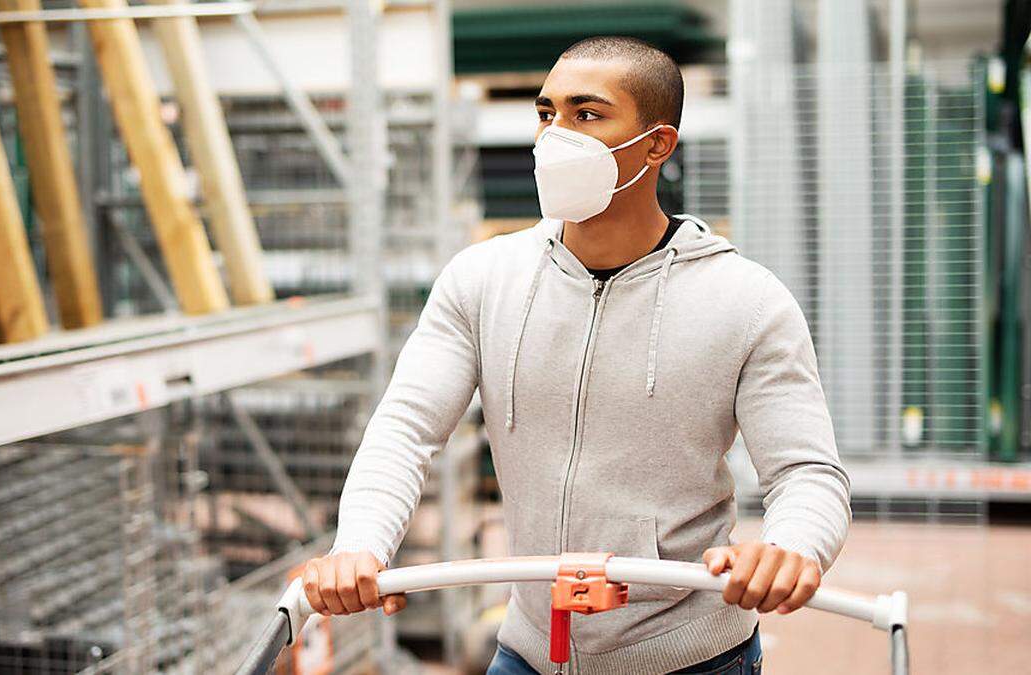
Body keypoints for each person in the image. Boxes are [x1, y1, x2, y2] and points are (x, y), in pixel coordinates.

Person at [302, 36, 851, 674]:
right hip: (530, 651)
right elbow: (405, 430)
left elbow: (809, 473)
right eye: (546, 114)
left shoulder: (746, 301)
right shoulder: (482, 280)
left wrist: (789, 547)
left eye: (585, 115)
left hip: (691, 658)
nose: (555, 136)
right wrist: (360, 545)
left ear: (657, 145)